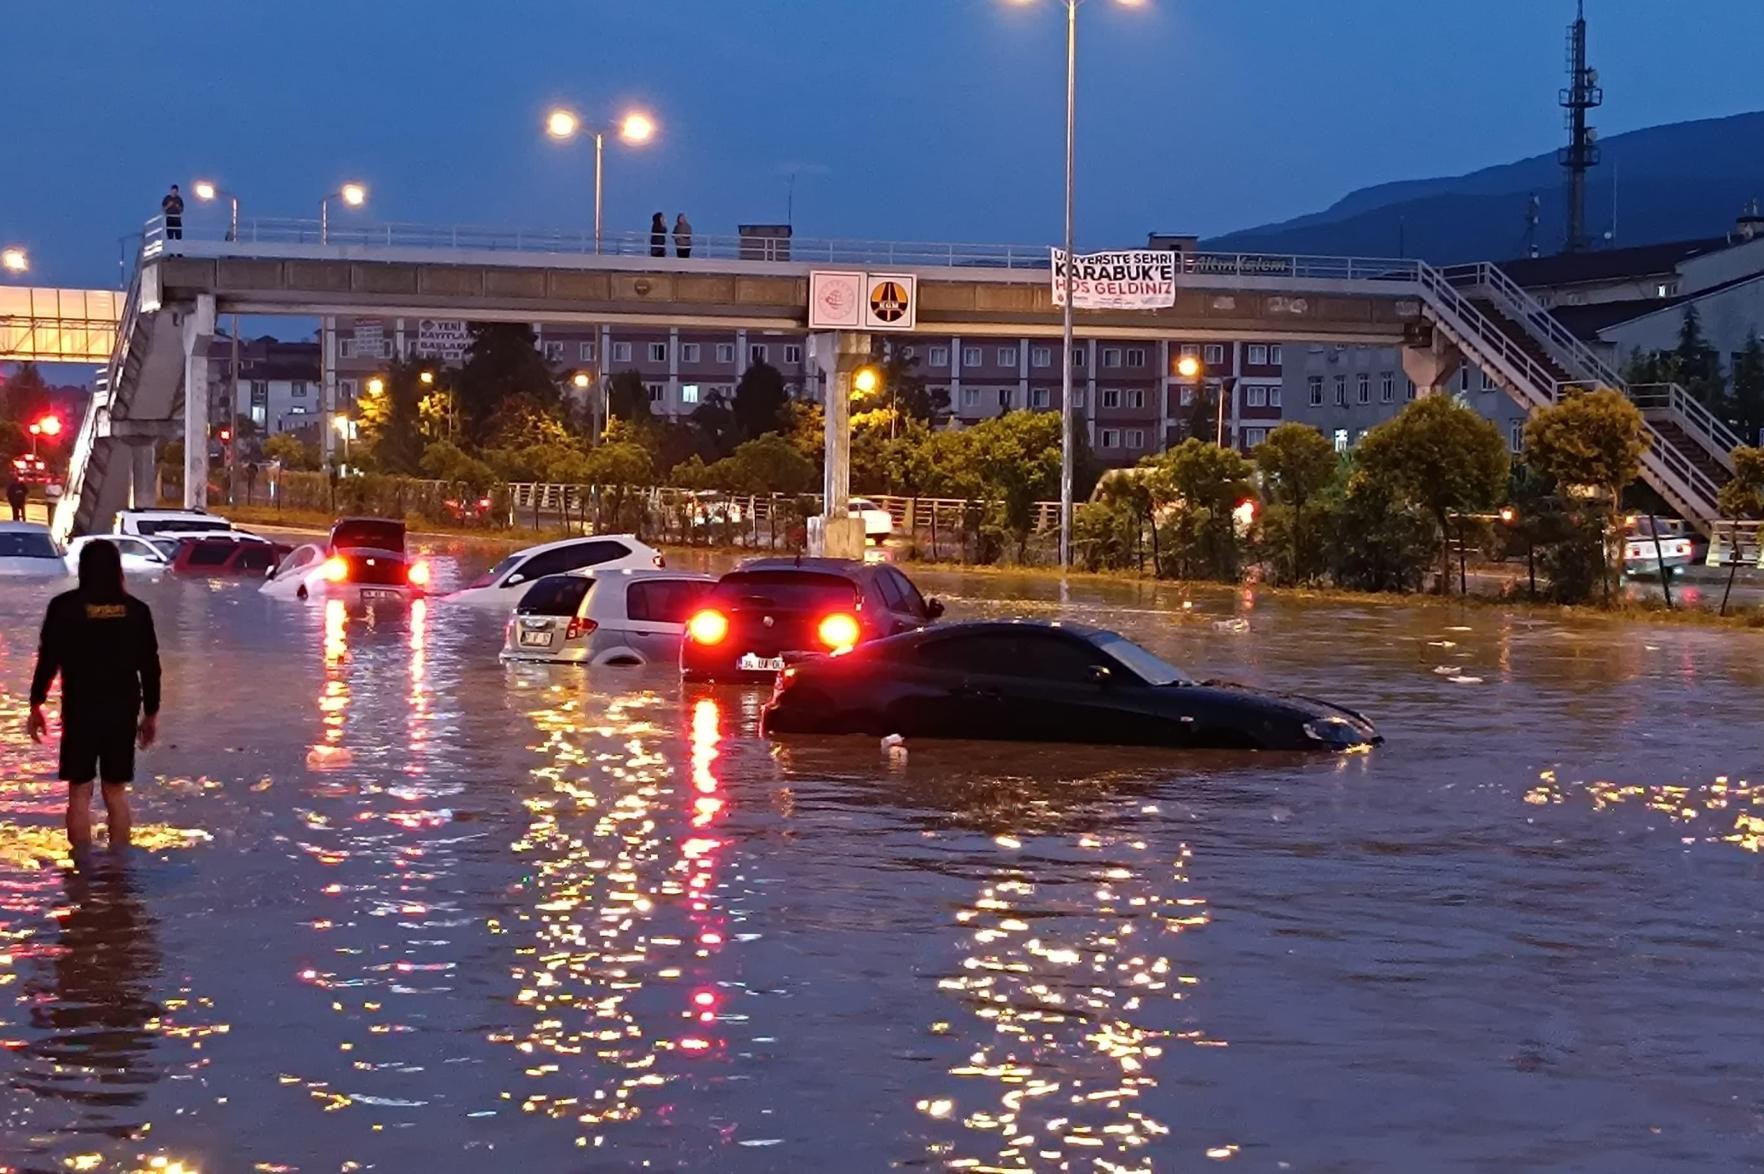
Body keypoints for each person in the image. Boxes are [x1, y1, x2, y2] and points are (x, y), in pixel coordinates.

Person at [28, 540, 161, 852]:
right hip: (122, 710)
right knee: (115, 791)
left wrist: (36, 703)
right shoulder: (137, 612)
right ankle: (117, 873)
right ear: (117, 569)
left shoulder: (63, 608)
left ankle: (81, 876)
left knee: (79, 790)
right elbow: (150, 667)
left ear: (83, 569)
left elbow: (48, 659)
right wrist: (151, 713)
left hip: (80, 709)